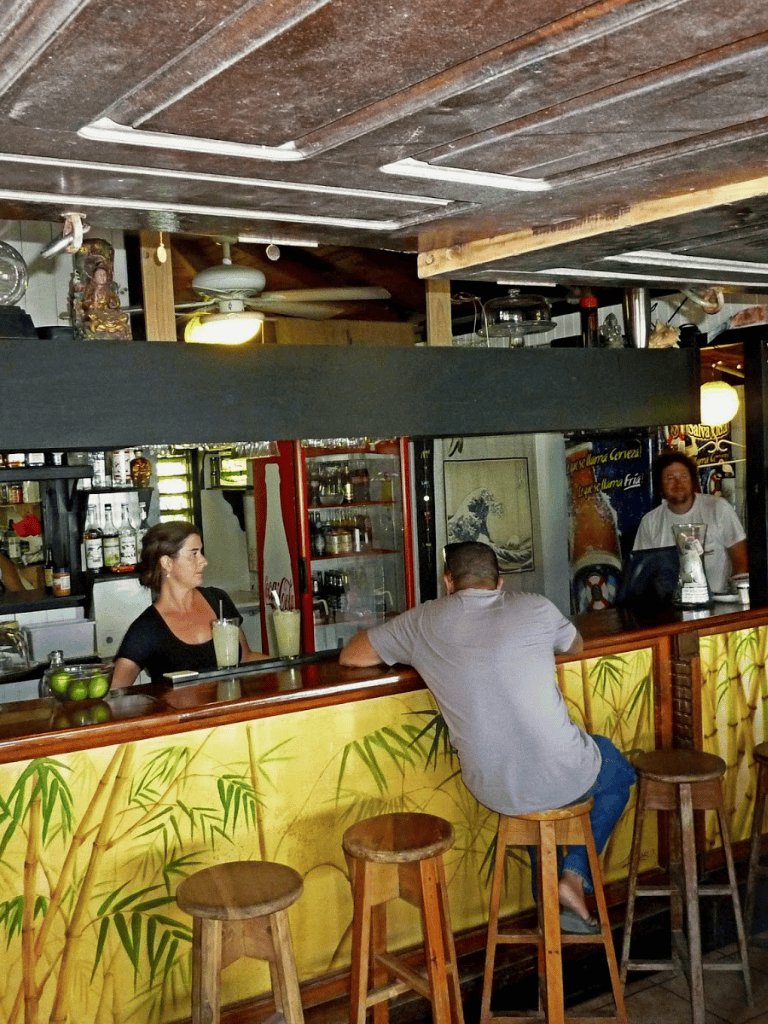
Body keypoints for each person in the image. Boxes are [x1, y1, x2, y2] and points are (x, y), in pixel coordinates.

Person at [340, 540, 635, 934]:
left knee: (532, 799)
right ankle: (573, 878)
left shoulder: (422, 621)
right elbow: (575, 645)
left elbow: (352, 655)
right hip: (560, 769)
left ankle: (551, 902)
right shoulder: (535, 606)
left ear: (449, 582)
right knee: (617, 770)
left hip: (494, 785)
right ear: (499, 581)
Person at [112, 520, 267, 686]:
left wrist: (294, 666)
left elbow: (245, 658)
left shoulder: (218, 600)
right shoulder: (147, 628)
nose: (204, 561)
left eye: (201, 552)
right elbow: (117, 692)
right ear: (167, 563)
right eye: (194, 554)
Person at [633, 450, 748, 594]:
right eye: (670, 478)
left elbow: (740, 557)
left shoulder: (718, 508)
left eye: (683, 476)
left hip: (719, 603)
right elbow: (642, 573)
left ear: (693, 480)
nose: (678, 483)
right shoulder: (650, 522)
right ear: (660, 485)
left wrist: (739, 595)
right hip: (670, 608)